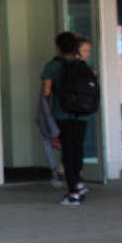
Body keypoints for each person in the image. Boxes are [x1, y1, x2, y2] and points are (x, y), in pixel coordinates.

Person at [41, 32, 89, 205]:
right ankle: (79, 182)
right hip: (82, 113)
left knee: (67, 151)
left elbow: (47, 91)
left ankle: (73, 192)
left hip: (63, 113)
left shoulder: (53, 66)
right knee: (78, 148)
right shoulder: (81, 64)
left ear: (58, 47)